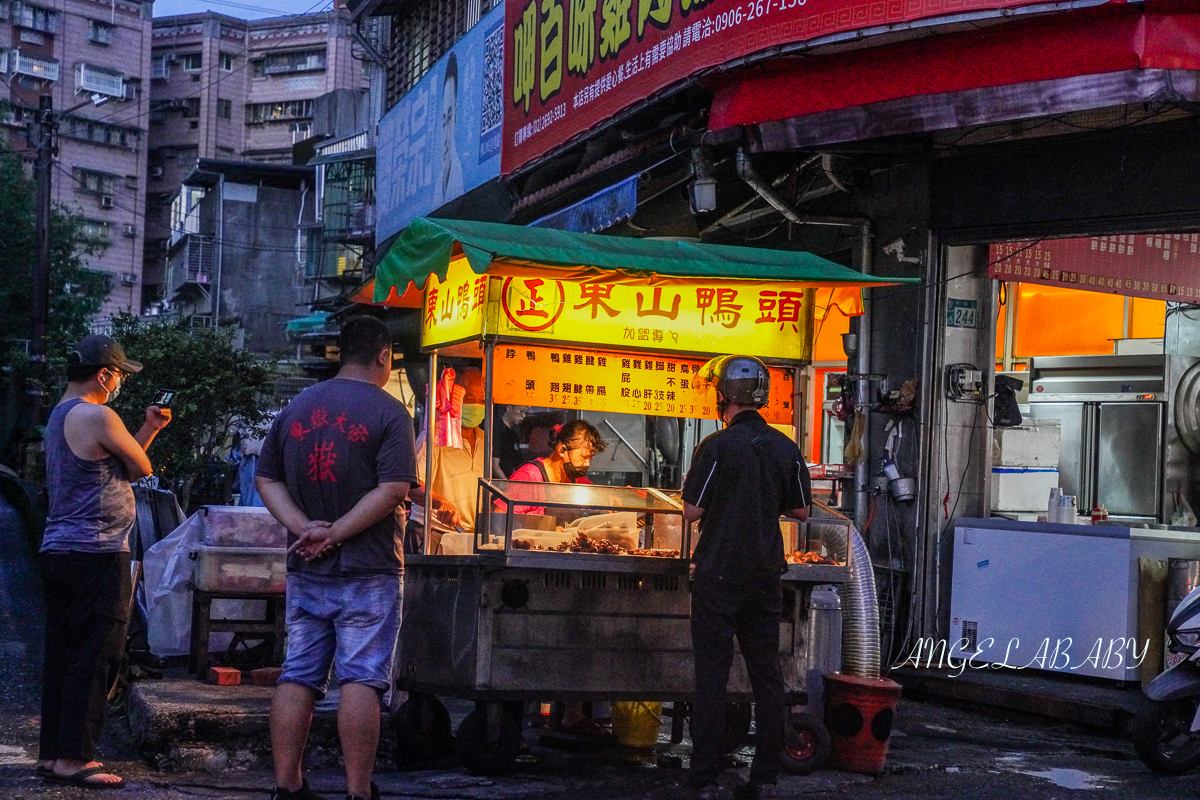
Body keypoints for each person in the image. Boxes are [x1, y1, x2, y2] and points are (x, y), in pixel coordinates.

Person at [256, 315, 417, 800]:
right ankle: (357, 792)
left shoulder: (297, 407)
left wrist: (305, 529)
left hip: (307, 566)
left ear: (340, 353)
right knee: (362, 679)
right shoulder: (391, 413)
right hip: (370, 569)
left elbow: (267, 479)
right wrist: (336, 534)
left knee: (298, 672)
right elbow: (392, 490)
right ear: (384, 356)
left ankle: (286, 786)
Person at [39, 334, 171, 789]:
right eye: (118, 375)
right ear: (103, 374)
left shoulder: (60, 415)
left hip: (61, 549)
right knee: (96, 655)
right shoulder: (98, 414)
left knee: (64, 652)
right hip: (96, 552)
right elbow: (142, 469)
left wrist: (149, 428)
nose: (119, 384)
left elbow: (121, 464)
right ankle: (75, 758)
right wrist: (147, 436)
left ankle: (54, 754)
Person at [681, 356, 811, 800]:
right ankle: (765, 778)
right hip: (765, 573)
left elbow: (692, 510)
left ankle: (704, 778)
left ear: (724, 397)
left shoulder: (716, 447)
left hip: (718, 572)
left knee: (712, 676)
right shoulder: (785, 448)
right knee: (766, 675)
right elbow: (801, 511)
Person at [405, 367, 486, 555]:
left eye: (482, 401)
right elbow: (413, 485)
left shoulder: (485, 441)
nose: (477, 406)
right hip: (431, 533)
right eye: (469, 399)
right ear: (454, 398)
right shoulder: (434, 435)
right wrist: (439, 502)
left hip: (467, 536)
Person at [503, 419, 606, 516]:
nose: (587, 463)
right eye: (583, 457)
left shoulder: (576, 481)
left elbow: (601, 499)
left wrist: (609, 500)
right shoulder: (529, 478)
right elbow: (502, 519)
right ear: (562, 450)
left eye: (590, 458)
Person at [434, 51, 464, 209]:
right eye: (443, 121)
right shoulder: (436, 194)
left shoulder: (461, 183)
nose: (445, 137)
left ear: (457, 117)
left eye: (450, 118)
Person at [491, 404, 528, 478]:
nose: (523, 416)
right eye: (521, 411)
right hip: (497, 483)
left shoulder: (514, 435)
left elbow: (517, 463)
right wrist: (507, 485)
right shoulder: (496, 429)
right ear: (509, 408)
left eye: (525, 413)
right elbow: (494, 465)